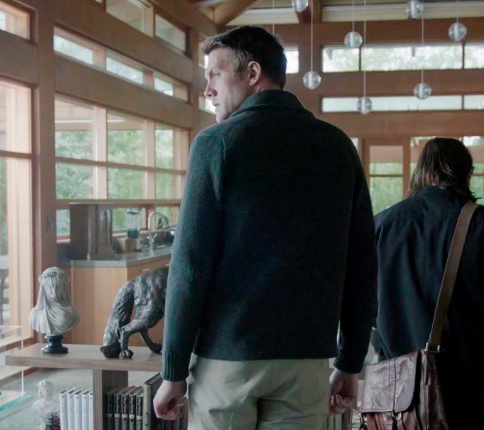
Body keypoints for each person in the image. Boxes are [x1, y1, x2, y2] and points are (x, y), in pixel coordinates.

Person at [153, 25, 377, 429]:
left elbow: (189, 266)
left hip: (227, 360)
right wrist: (350, 362)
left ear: (252, 73)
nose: (208, 89)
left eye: (215, 74)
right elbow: (362, 265)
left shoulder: (216, 144)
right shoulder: (337, 146)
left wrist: (174, 371)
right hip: (306, 361)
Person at [373, 137, 484, 429]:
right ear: (467, 173)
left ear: (421, 171)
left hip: (401, 395)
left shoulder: (382, 224)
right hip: (474, 392)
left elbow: (363, 309)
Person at [28, 267, 79, 336]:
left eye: (57, 287)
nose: (54, 292)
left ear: (64, 288)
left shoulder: (71, 313)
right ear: (44, 288)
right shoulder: (34, 315)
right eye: (50, 287)